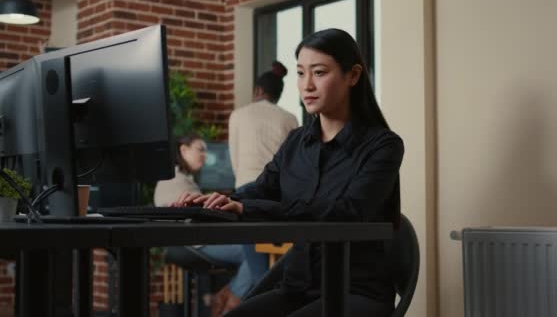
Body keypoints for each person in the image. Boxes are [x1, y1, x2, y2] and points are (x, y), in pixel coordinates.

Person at [173, 28, 404, 317]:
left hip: (355, 291)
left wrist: (249, 207)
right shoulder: (296, 141)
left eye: (319, 73)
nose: (307, 85)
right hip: (298, 287)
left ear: (353, 76)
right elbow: (259, 189)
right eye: (300, 73)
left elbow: (347, 211)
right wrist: (215, 203)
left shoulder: (383, 146)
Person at [155, 135, 268, 317]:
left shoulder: (181, 179)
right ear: (183, 150)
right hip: (193, 242)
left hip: (191, 240)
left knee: (252, 251)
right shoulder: (175, 181)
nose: (205, 155)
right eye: (200, 149)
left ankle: (226, 297)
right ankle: (231, 302)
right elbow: (194, 217)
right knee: (254, 250)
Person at [229, 60, 298, 191]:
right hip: (276, 187)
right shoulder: (290, 118)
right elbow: (292, 160)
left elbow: (235, 158)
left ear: (258, 90)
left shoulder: (237, 115)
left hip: (245, 183)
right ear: (278, 95)